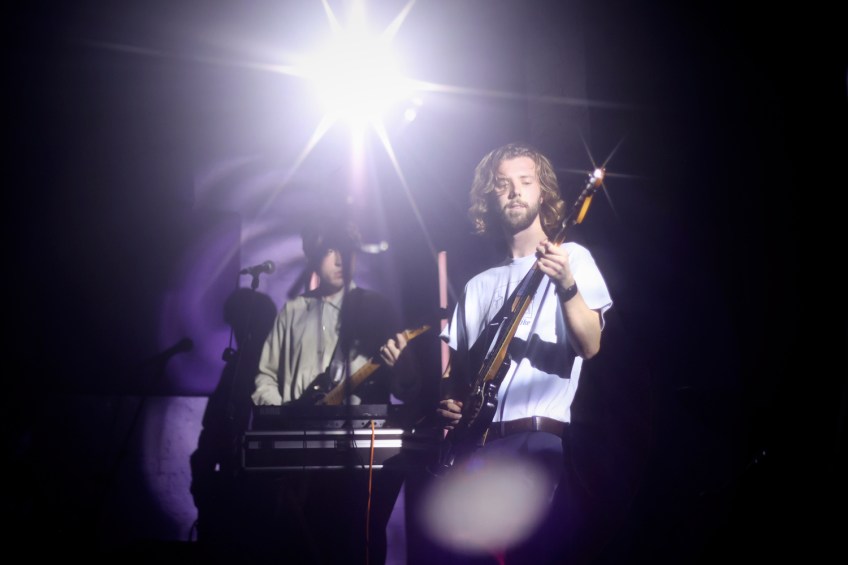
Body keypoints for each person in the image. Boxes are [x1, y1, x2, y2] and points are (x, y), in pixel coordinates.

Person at [415, 142, 613, 564]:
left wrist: (566, 284)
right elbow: (457, 376)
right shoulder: (478, 286)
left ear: (543, 193)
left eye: (525, 181)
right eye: (503, 184)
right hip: (478, 446)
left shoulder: (572, 258)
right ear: (490, 198)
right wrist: (449, 402)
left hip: (536, 442)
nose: (515, 191)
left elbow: (590, 345)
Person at [246, 216, 419, 565]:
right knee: (297, 544)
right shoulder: (292, 312)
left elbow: (406, 388)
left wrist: (402, 366)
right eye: (329, 251)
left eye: (346, 250)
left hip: (358, 449)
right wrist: (284, 416)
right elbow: (264, 378)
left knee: (357, 540)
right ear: (312, 254)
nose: (340, 259)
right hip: (299, 453)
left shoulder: (377, 309)